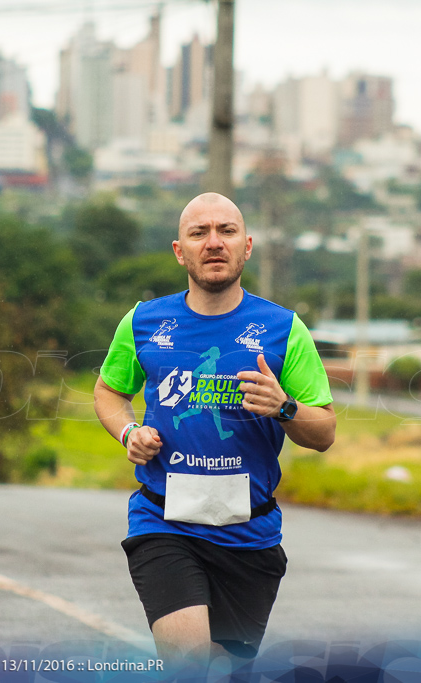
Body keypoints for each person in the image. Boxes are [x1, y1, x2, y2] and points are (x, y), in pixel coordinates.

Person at [93, 192, 336, 667]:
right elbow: (108, 393)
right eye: (198, 233)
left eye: (225, 231)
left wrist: (284, 407)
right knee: (188, 662)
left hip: (249, 535)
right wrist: (128, 433)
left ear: (247, 246)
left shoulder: (283, 328)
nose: (213, 243)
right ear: (179, 251)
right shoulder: (143, 322)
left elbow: (323, 432)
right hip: (164, 522)